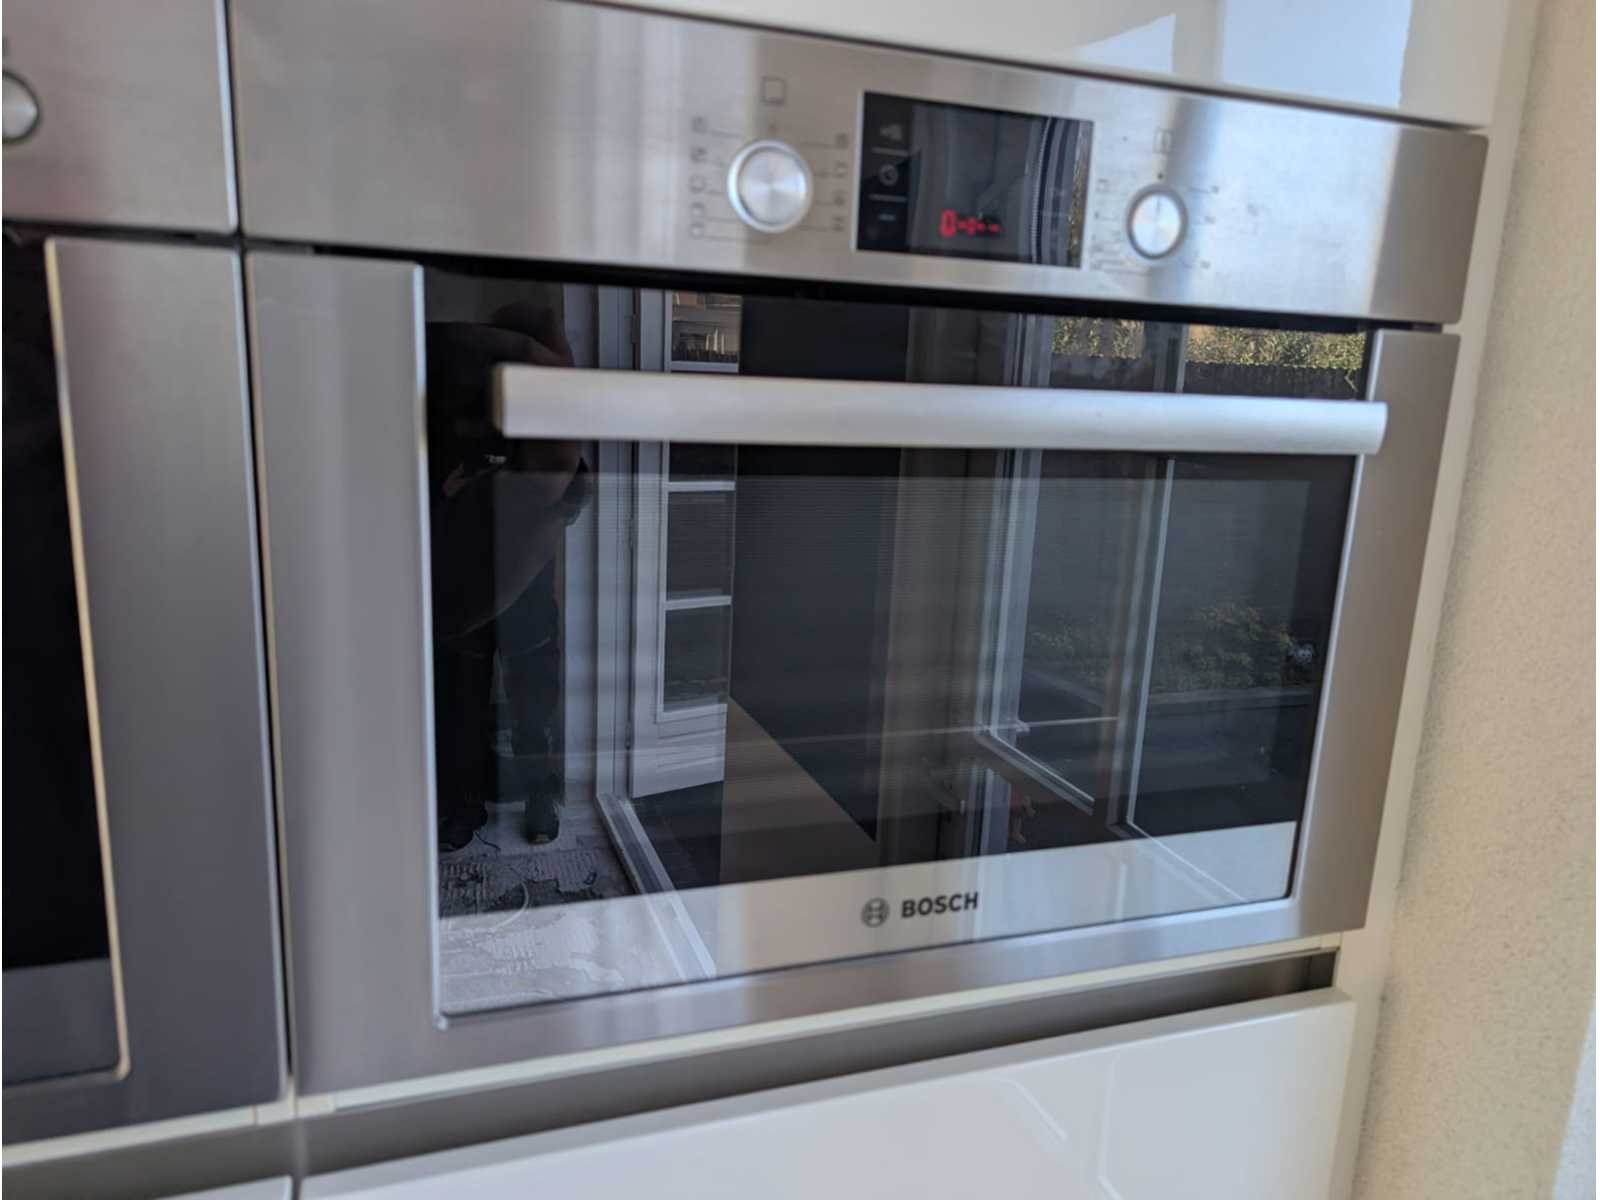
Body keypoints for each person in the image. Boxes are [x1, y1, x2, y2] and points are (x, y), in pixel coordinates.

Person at [427, 301, 589, 853]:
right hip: (464, 591)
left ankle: (540, 798)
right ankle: (461, 806)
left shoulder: (545, 420)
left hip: (527, 595)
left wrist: (540, 502)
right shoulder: (452, 411)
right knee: (460, 708)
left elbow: (577, 492)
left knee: (533, 710)